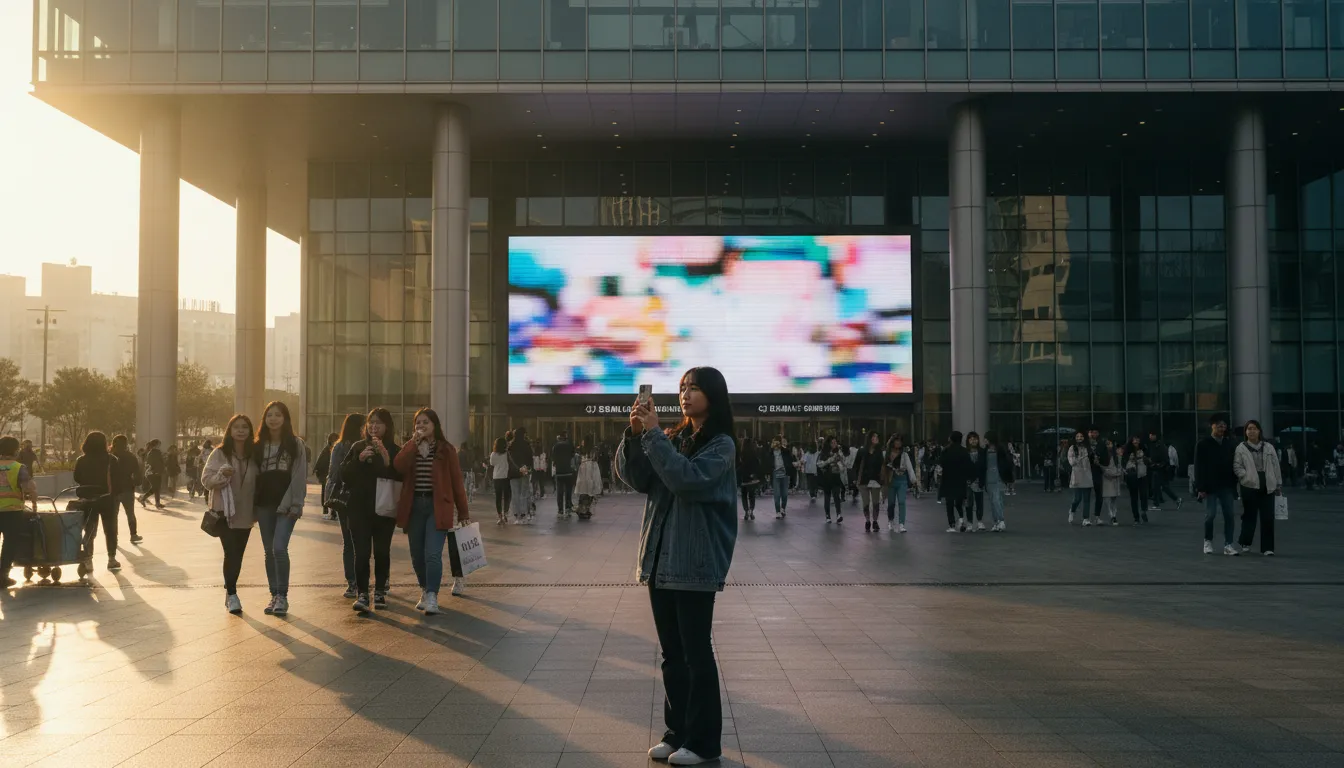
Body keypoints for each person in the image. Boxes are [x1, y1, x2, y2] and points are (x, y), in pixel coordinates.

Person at [616, 366, 737, 767]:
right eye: (682, 388)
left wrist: (652, 436)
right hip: (661, 559)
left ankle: (703, 743)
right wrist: (636, 435)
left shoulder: (720, 446)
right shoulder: (671, 438)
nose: (685, 395)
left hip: (696, 562)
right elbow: (637, 479)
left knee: (695, 654)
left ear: (713, 395)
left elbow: (688, 480)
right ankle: (678, 732)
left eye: (695, 388)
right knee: (672, 654)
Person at [392, 408, 471, 615]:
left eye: (426, 422)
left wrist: (463, 512)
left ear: (435, 425)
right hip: (415, 506)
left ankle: (433, 595)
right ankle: (425, 590)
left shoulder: (446, 449)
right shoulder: (411, 448)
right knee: (417, 555)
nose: (421, 426)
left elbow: (456, 482)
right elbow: (398, 466)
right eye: (418, 423)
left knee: (432, 554)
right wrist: (412, 443)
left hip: (438, 506)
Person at [337, 408, 401, 613]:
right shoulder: (357, 447)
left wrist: (387, 461)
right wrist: (359, 460)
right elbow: (343, 475)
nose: (374, 426)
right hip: (359, 509)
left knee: (382, 552)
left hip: (384, 509)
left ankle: (380, 591)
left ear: (387, 426)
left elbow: (400, 478)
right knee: (361, 553)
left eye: (379, 423)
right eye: (371, 422)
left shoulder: (394, 449)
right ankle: (362, 594)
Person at [253, 401, 308, 615]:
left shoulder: (295, 444)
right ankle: (274, 594)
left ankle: (282, 596)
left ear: (285, 419)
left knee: (279, 548)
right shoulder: (257, 445)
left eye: (278, 415)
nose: (273, 419)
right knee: (269, 551)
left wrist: (296, 503)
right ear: (264, 419)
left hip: (286, 504)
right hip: (264, 504)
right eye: (269, 415)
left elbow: (300, 475)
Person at [202, 415, 258, 614]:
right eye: (237, 427)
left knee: (238, 555)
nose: (241, 431)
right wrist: (221, 476)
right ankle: (233, 594)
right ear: (230, 430)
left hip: (246, 513)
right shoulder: (219, 453)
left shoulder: (255, 454)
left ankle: (230, 589)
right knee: (231, 552)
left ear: (251, 431)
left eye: (245, 427)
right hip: (224, 512)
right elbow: (206, 480)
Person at [325, 414, 364, 597]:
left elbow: (332, 474)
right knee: (355, 542)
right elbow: (335, 473)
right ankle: (355, 581)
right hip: (352, 499)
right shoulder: (344, 447)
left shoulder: (339, 446)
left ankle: (353, 582)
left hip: (347, 499)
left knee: (349, 542)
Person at [73, 431, 121, 573]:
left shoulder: (81, 460)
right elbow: (117, 479)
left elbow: (77, 477)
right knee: (110, 529)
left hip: (87, 499)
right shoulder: (111, 459)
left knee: (89, 529)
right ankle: (111, 559)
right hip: (107, 498)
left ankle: (88, 560)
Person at [1234, 419, 1281, 556]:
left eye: (1254, 428)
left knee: (1267, 517)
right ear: (1246, 432)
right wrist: (1245, 476)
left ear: (1259, 431)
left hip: (1268, 485)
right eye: (1249, 429)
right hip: (1249, 485)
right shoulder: (1241, 448)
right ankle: (1245, 543)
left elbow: (1276, 465)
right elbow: (1237, 466)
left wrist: (1278, 483)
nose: (1252, 431)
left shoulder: (1268, 447)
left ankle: (1268, 548)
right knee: (1249, 516)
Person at [1194, 414, 1240, 556]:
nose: (1222, 427)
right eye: (1219, 424)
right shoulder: (1203, 444)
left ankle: (1228, 545)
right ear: (1212, 426)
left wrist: (1234, 485)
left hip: (1226, 485)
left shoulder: (1229, 444)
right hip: (1209, 487)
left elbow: (1234, 465)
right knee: (1210, 515)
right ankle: (1207, 541)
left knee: (1229, 515)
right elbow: (1198, 467)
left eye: (1224, 425)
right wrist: (1200, 488)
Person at [0, 435, 39, 588]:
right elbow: (28, 488)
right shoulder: (18, 467)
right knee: (9, 543)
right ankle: (3, 575)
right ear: (16, 450)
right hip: (12, 511)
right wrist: (33, 497)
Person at [109, 434, 143, 545]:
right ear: (125, 444)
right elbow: (137, 473)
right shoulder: (131, 456)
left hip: (113, 490)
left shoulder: (110, 456)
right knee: (130, 513)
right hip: (127, 488)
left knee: (114, 515)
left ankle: (114, 537)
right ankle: (133, 535)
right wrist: (136, 483)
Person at [882, 436, 918, 533]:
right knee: (891, 502)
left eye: (900, 441)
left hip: (902, 480)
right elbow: (882, 468)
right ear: (892, 442)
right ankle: (890, 521)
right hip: (890, 481)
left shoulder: (904, 455)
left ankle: (902, 524)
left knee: (902, 501)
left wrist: (914, 480)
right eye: (896, 441)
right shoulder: (886, 454)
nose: (898, 443)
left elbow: (910, 468)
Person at [939, 432, 972, 533]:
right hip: (960, 480)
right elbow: (968, 465)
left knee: (949, 503)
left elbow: (941, 463)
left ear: (951, 439)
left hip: (948, 479)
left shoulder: (946, 450)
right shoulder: (964, 451)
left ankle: (952, 525)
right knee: (959, 501)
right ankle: (961, 519)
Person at [982, 431, 1013, 532]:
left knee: (997, 500)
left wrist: (1008, 478)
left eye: (986, 438)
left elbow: (1006, 463)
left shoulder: (1000, 450)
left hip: (998, 477)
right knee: (992, 500)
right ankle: (996, 521)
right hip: (988, 477)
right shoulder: (985, 450)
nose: (984, 440)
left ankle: (1001, 520)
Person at [857, 432, 885, 532]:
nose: (876, 438)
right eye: (874, 437)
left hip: (875, 479)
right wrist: (854, 479)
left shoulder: (879, 451)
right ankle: (867, 520)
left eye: (877, 437)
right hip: (864, 480)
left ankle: (875, 521)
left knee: (876, 502)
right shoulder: (862, 451)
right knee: (866, 502)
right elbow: (856, 465)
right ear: (869, 438)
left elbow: (882, 465)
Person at [507, 426, 534, 524]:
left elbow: (509, 460)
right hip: (524, 471)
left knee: (515, 494)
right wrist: (527, 467)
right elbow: (530, 458)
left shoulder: (510, 445)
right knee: (524, 493)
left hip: (513, 472)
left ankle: (516, 515)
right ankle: (523, 514)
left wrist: (516, 468)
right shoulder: (526, 444)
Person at [1066, 431, 1093, 524]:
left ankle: (1086, 519)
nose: (1079, 438)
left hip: (1087, 475)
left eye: (1081, 436)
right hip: (1077, 475)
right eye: (1077, 436)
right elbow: (1072, 462)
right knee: (1077, 498)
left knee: (1087, 499)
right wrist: (1080, 457)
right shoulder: (1072, 448)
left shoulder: (1088, 448)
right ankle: (1072, 511)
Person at [817, 437, 845, 523]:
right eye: (832, 442)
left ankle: (838, 514)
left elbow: (843, 464)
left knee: (837, 496)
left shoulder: (838, 452)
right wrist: (829, 460)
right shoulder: (824, 453)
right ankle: (828, 515)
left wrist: (840, 461)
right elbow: (819, 464)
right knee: (827, 497)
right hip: (827, 477)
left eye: (835, 442)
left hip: (836, 476)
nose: (834, 444)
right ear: (828, 444)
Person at [767, 436, 794, 520]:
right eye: (774, 442)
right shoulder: (771, 452)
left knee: (785, 494)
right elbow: (767, 462)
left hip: (784, 474)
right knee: (777, 494)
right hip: (775, 474)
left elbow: (790, 460)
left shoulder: (785, 451)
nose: (776, 444)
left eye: (777, 442)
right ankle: (777, 511)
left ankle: (783, 508)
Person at [575, 439, 603, 518]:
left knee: (583, 489)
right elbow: (596, 458)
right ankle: (586, 509)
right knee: (590, 489)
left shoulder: (581, 449)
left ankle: (581, 509)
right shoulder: (594, 449)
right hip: (591, 468)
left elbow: (578, 459)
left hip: (584, 468)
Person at [1123, 442, 1150, 525]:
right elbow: (1123, 463)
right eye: (1134, 439)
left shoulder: (1144, 449)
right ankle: (1136, 517)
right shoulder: (1127, 451)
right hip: (1132, 477)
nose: (1136, 441)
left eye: (1137, 439)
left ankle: (1143, 510)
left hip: (1142, 475)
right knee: (1134, 498)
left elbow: (1149, 461)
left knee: (1144, 495)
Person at [964, 432, 986, 532]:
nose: (973, 440)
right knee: (969, 502)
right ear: (968, 440)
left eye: (975, 438)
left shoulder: (982, 451)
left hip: (979, 480)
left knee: (979, 502)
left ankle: (980, 521)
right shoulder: (965, 452)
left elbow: (984, 466)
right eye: (971, 438)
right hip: (968, 481)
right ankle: (969, 522)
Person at [552, 432, 576, 517]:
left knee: (560, 491)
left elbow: (553, 459)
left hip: (559, 472)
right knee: (568, 490)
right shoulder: (569, 446)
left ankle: (560, 509)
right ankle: (568, 507)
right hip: (568, 471)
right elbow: (573, 456)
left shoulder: (555, 447)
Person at [736, 437, 761, 521]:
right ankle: (751, 510)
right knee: (752, 495)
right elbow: (757, 464)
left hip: (744, 478)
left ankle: (746, 510)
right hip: (751, 478)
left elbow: (737, 466)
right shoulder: (754, 454)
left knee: (744, 495)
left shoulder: (741, 454)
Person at [138, 439, 166, 509]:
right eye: (159, 444)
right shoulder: (155, 452)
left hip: (154, 473)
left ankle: (156, 503)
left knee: (156, 488)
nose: (160, 446)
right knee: (155, 488)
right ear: (156, 445)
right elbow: (156, 463)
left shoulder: (152, 452)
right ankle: (143, 498)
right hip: (153, 473)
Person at [313, 432, 338, 513]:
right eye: (332, 440)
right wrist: (316, 470)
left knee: (335, 492)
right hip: (325, 474)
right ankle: (325, 508)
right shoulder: (326, 449)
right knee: (325, 491)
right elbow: (320, 460)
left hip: (335, 474)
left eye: (335, 440)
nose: (333, 441)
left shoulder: (338, 448)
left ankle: (334, 511)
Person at [1101, 440, 1123, 525]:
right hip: (1107, 478)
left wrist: (1118, 473)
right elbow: (1102, 467)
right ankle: (1111, 515)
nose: (1109, 446)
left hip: (1115, 478)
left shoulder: (1117, 456)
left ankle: (1114, 515)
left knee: (1114, 498)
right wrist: (1108, 473)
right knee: (1108, 498)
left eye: (1110, 444)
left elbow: (1120, 466)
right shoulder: (1103, 456)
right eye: (1107, 444)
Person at [489, 437, 511, 524]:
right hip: (505, 477)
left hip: (497, 477)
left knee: (498, 498)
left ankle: (500, 517)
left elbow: (492, 463)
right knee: (507, 496)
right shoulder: (507, 454)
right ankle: (505, 513)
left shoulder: (493, 454)